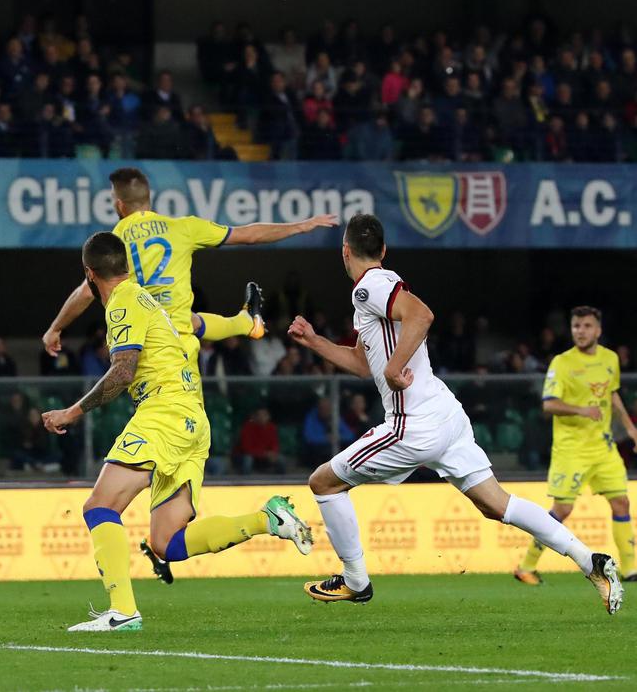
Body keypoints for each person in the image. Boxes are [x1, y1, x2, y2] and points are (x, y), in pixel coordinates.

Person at [287, 213, 623, 613]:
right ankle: (593, 562)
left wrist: (395, 368)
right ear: (383, 249)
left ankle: (356, 580)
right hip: (444, 415)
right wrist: (314, 341)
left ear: (345, 251)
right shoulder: (374, 293)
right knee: (498, 505)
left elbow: (422, 315)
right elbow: (363, 363)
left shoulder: (370, 287)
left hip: (412, 425)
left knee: (323, 483)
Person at [41, 232, 312, 632]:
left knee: (100, 506)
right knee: (167, 542)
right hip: (191, 418)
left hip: (163, 412)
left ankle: (122, 611)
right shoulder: (149, 299)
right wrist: (244, 322)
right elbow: (198, 327)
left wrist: (73, 412)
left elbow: (123, 371)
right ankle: (266, 519)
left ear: (89, 273)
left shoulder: (123, 303)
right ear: (128, 267)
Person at [43, 167, 337, 385]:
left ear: (119, 204)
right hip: (178, 331)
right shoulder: (183, 227)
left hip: (150, 344)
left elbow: (85, 292)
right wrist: (301, 226)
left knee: (175, 429)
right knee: (189, 320)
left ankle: (246, 323)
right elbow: (249, 234)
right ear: (149, 198)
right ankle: (247, 323)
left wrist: (55, 328)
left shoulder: (115, 240)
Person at [515, 306, 637, 585]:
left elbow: (612, 393)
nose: (580, 331)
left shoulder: (610, 359)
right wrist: (582, 410)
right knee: (562, 510)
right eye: (576, 326)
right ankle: (526, 566)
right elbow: (549, 405)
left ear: (598, 330)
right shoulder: (562, 363)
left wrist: (631, 429)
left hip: (603, 448)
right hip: (572, 450)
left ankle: (630, 571)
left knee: (621, 502)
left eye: (586, 326)